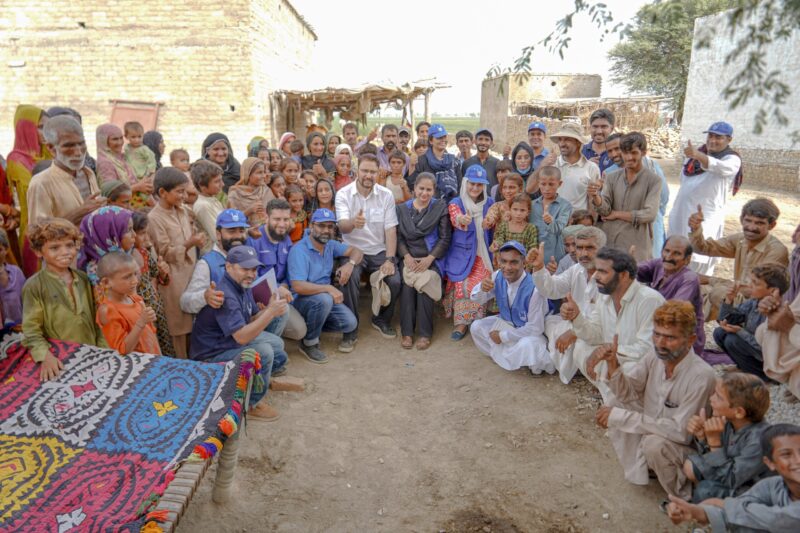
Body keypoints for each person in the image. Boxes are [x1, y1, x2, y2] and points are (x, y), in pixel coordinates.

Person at [594, 300, 716, 499]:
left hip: (686, 448)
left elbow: (681, 433)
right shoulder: (655, 356)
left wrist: (621, 417)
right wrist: (613, 364)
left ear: (690, 340)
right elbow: (629, 393)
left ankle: (682, 496)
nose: (660, 343)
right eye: (657, 334)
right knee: (615, 404)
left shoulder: (702, 376)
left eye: (670, 338)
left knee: (653, 444)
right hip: (658, 427)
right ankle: (650, 467)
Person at [190, 245, 288, 421]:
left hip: (228, 342)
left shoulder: (242, 286)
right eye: (245, 269)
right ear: (228, 267)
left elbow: (249, 320)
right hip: (210, 356)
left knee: (277, 346)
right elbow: (241, 336)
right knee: (265, 352)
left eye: (254, 269)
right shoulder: (225, 293)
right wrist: (270, 313)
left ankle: (251, 381)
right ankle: (249, 405)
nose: (251, 274)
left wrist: (267, 310)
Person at [564, 247, 666, 396]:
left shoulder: (649, 300)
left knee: (628, 368)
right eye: (597, 270)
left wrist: (608, 352)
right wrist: (576, 317)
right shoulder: (604, 297)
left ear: (624, 275)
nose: (596, 276)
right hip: (616, 357)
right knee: (581, 347)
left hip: (644, 364)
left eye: (603, 272)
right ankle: (611, 396)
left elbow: (648, 349)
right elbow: (596, 333)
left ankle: (625, 403)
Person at [666, 423, 800, 531]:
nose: (798, 460)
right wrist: (694, 511)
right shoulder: (773, 485)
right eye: (786, 454)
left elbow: (778, 520)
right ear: (770, 463)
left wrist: (722, 504)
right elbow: (732, 512)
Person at [22, 218, 108, 381]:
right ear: (39, 252)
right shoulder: (34, 286)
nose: (65, 252)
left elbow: (97, 320)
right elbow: (31, 330)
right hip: (60, 360)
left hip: (93, 353)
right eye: (54, 247)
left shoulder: (83, 278)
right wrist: (45, 357)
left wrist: (103, 349)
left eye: (69, 245)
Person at [335, 153, 401, 337]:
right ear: (356, 170)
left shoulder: (385, 195)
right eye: (365, 170)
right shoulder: (343, 194)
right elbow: (342, 226)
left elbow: (390, 230)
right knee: (348, 278)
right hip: (352, 249)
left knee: (395, 280)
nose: (368, 175)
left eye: (373, 171)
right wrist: (352, 223)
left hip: (378, 250)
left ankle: (381, 319)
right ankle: (351, 328)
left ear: (378, 173)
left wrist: (390, 259)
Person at [690, 198, 788, 321]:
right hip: (738, 295)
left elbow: (756, 289)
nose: (751, 227)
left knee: (719, 293)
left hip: (759, 305)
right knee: (690, 289)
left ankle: (733, 324)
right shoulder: (741, 240)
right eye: (748, 221)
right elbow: (705, 248)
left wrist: (710, 279)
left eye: (759, 223)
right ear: (741, 220)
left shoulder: (776, 250)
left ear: (772, 225)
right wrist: (696, 229)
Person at [287, 208, 363, 363]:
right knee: (324, 299)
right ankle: (309, 343)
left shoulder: (330, 245)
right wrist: (328, 288)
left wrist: (350, 264)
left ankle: (312, 324)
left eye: (330, 227)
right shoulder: (299, 250)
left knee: (350, 323)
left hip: (322, 300)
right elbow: (298, 286)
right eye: (321, 226)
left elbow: (357, 251)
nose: (326, 230)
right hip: (301, 300)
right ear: (312, 225)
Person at [530, 226, 604, 383]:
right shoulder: (577, 270)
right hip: (578, 323)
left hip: (600, 332)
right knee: (550, 322)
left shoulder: (610, 276)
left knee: (579, 345)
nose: (583, 253)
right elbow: (552, 288)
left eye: (590, 248)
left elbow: (607, 321)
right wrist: (538, 267)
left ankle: (581, 367)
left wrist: (573, 333)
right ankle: (573, 365)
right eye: (580, 248)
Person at [668, 121, 743, 276]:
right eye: (710, 135)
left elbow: (718, 167)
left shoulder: (732, 160)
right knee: (673, 262)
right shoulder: (694, 156)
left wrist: (698, 155)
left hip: (705, 220)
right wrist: (697, 155)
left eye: (718, 137)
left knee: (698, 267)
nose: (712, 140)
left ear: (729, 140)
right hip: (680, 215)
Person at [684, 372, 772, 502]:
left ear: (739, 412)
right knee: (691, 466)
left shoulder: (759, 440)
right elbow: (713, 460)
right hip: (728, 474)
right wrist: (702, 437)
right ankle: (705, 504)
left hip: (750, 491)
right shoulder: (730, 423)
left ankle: (714, 512)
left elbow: (732, 479)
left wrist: (714, 443)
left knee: (705, 490)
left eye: (718, 397)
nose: (711, 398)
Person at [148, 168, 206, 357]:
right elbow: (165, 252)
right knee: (179, 326)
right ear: (163, 192)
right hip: (173, 278)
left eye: (184, 191)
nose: (184, 195)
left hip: (190, 272)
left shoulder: (181, 210)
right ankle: (182, 366)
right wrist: (191, 242)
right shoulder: (154, 218)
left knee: (194, 320)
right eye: (179, 192)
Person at [470, 241, 550, 374]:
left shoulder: (534, 289)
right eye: (504, 261)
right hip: (506, 323)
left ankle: (512, 356)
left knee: (529, 345)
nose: (507, 267)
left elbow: (536, 328)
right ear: (499, 261)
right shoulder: (497, 276)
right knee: (476, 327)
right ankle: (509, 357)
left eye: (513, 262)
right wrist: (481, 289)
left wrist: (503, 336)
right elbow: (477, 300)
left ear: (523, 263)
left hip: (527, 332)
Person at [396, 173, 452, 350]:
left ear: (434, 191)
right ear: (414, 188)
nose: (424, 193)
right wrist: (406, 257)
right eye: (421, 188)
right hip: (409, 258)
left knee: (425, 286)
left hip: (431, 258)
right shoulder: (402, 209)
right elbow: (398, 238)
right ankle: (407, 333)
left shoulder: (440, 208)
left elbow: (445, 238)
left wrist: (429, 259)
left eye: (429, 189)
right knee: (407, 287)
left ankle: (425, 333)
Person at [27, 116, 104, 237]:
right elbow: (37, 234)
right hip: (66, 254)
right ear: (51, 148)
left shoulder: (88, 173)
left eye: (81, 144)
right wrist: (80, 212)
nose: (78, 152)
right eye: (69, 146)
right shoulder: (41, 183)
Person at [589, 132, 661, 261]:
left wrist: (617, 214)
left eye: (633, 153)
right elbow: (605, 210)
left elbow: (649, 214)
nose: (628, 158)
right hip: (611, 242)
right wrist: (596, 197)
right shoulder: (611, 177)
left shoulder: (653, 180)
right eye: (625, 153)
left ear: (644, 152)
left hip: (636, 245)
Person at [443, 165, 495, 341]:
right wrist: (462, 220)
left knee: (481, 282)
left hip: (484, 253)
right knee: (463, 284)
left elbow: (495, 221)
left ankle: (477, 319)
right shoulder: (456, 203)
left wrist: (491, 222)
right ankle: (462, 323)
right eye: (472, 183)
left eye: (479, 185)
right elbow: (456, 218)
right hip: (462, 256)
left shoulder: (489, 203)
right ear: (465, 183)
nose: (475, 188)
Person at [245, 199, 308, 341]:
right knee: (286, 317)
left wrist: (284, 285)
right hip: (258, 300)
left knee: (299, 331)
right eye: (277, 219)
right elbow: (249, 277)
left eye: (286, 219)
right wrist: (277, 288)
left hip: (283, 295)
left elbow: (289, 271)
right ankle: (270, 349)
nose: (282, 224)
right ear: (266, 218)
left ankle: (271, 332)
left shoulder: (286, 239)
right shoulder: (254, 240)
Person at [715, 264, 789, 380]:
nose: (750, 286)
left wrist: (740, 331)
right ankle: (743, 367)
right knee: (719, 333)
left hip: (769, 360)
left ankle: (762, 376)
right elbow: (726, 319)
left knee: (732, 341)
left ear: (773, 290)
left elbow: (764, 347)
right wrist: (729, 299)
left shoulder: (776, 312)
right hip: (754, 348)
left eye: (756, 283)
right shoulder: (754, 301)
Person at [637, 236, 706, 356]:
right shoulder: (659, 264)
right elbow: (634, 271)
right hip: (658, 326)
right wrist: (627, 265)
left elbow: (675, 311)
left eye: (677, 253)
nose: (668, 257)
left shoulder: (689, 279)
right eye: (667, 251)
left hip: (678, 335)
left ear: (687, 259)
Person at [7, 104, 52, 271]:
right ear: (25, 129)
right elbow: (33, 192)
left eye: (47, 126)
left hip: (57, 221)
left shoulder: (48, 153)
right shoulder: (16, 159)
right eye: (40, 127)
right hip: (33, 226)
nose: (45, 132)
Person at [96, 252, 161, 355]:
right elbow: (122, 350)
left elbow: (151, 335)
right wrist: (141, 322)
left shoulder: (135, 299)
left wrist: (159, 356)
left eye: (135, 274)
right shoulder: (108, 311)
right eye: (127, 277)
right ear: (106, 283)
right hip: (137, 367)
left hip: (153, 359)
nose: (135, 281)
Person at [131, 212, 174, 356]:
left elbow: (157, 276)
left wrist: (163, 272)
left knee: (163, 345)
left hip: (156, 308)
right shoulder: (124, 260)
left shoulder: (144, 252)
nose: (147, 238)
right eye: (142, 233)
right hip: (141, 314)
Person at [546, 122, 600, 212]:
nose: (562, 144)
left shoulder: (591, 168)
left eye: (567, 139)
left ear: (578, 142)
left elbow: (592, 201)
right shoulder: (552, 165)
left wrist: (590, 224)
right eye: (560, 139)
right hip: (553, 222)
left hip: (578, 223)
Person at [77, 205, 136, 287]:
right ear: (109, 235)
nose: (134, 234)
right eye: (128, 230)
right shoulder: (99, 273)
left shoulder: (126, 255)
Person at [407, 124, 462, 200]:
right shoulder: (422, 161)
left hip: (452, 205)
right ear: (431, 141)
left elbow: (460, 185)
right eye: (439, 138)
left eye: (444, 137)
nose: (443, 140)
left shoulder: (453, 161)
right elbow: (412, 184)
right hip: (428, 206)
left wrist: (455, 203)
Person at [530, 166, 572, 264]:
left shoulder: (565, 206)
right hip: (533, 254)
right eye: (543, 184)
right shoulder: (531, 205)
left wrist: (550, 221)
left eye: (551, 184)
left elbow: (560, 228)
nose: (547, 188)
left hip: (554, 255)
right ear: (538, 183)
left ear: (559, 184)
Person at [227, 157, 272, 230]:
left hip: (267, 232)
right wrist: (249, 211)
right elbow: (231, 221)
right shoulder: (235, 194)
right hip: (244, 234)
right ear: (247, 174)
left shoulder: (266, 190)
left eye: (264, 172)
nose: (263, 176)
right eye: (259, 172)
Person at [191, 160, 226, 254]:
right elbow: (217, 236)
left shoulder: (213, 199)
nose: (222, 184)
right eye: (217, 181)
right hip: (213, 254)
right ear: (202, 186)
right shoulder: (203, 206)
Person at [491, 193, 538, 262]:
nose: (518, 213)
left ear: (528, 212)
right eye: (515, 209)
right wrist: (496, 244)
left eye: (522, 210)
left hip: (523, 266)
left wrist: (527, 268)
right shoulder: (503, 226)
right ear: (510, 210)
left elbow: (532, 249)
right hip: (505, 265)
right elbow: (499, 240)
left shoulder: (531, 228)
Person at [122, 121, 156, 209]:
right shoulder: (126, 148)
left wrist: (148, 175)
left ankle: (154, 206)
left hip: (142, 176)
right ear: (126, 136)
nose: (137, 140)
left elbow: (152, 162)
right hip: (130, 177)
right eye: (133, 137)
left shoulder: (144, 149)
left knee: (145, 195)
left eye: (139, 136)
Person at [0, 229, 25, 328]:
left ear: (6, 250)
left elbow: (27, 300)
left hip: (20, 328)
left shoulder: (16, 272)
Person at [582, 108, 615, 173]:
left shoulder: (618, 153)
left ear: (612, 128)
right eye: (595, 126)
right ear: (590, 127)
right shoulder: (580, 152)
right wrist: (585, 167)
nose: (599, 131)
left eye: (604, 127)